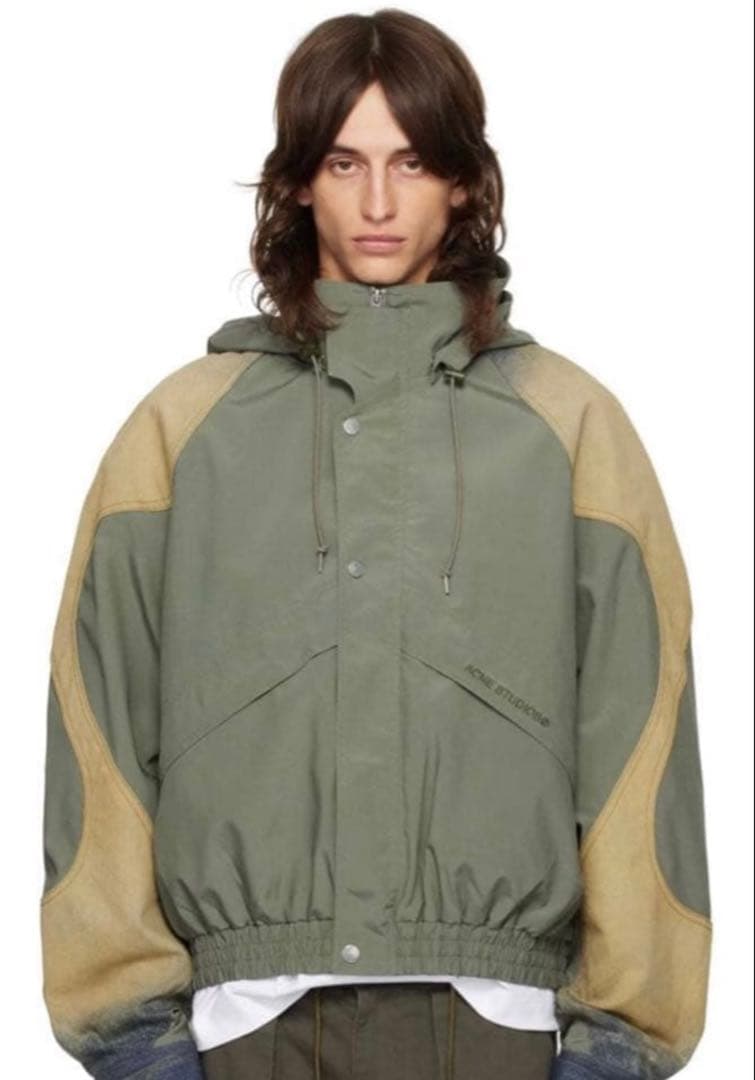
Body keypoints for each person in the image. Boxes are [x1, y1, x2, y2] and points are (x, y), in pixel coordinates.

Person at [39, 9, 712, 1080]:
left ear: (465, 183)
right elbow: (100, 719)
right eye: (344, 162)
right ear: (299, 182)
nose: (380, 203)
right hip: (240, 1023)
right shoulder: (181, 428)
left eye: (412, 162)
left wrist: (622, 1039)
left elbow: (641, 729)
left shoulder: (569, 425)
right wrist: (127, 1033)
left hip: (494, 1019)